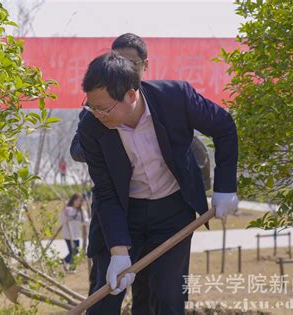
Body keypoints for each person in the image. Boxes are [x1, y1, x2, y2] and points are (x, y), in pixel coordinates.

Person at [78, 52, 238, 314]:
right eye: (90, 106)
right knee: (105, 298)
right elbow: (106, 192)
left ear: (130, 95)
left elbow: (224, 126)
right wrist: (118, 253)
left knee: (168, 296)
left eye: (103, 108)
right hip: (123, 212)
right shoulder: (90, 127)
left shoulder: (175, 98)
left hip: (173, 211)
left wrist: (225, 187)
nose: (96, 114)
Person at [70, 33, 211, 191]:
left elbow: (197, 152)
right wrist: (110, 145)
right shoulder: (97, 107)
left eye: (132, 63)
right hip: (121, 198)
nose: (125, 69)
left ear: (145, 65)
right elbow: (76, 151)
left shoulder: (165, 102)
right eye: (119, 62)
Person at [61, 193, 87, 273]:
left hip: (76, 234)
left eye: (79, 201)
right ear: (73, 200)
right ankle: (71, 267)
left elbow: (86, 221)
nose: (78, 202)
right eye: (77, 200)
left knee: (75, 251)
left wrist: (85, 222)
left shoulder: (81, 211)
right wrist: (66, 216)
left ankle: (67, 263)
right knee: (73, 251)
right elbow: (62, 220)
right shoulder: (67, 209)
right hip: (68, 234)